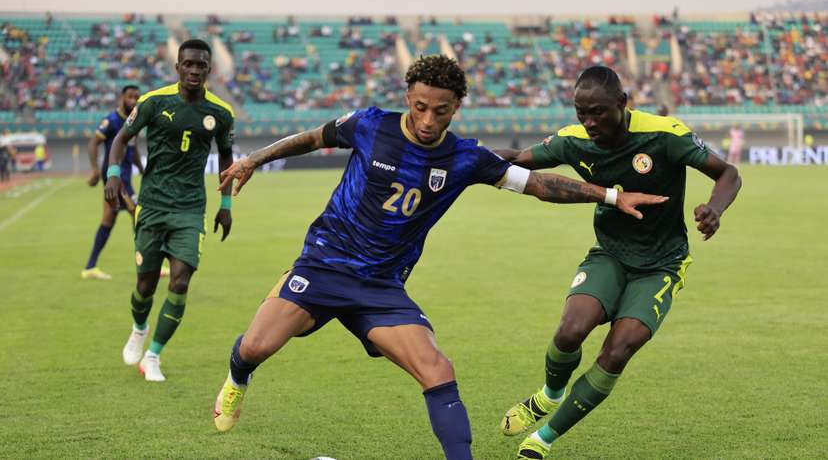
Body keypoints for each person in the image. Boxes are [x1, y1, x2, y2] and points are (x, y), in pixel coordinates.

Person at [210, 55, 666, 460]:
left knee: (438, 370)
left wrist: (610, 195)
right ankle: (237, 378)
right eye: (420, 107)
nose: (428, 119)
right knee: (255, 348)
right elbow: (312, 138)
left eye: (441, 110)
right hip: (324, 265)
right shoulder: (370, 125)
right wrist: (255, 159)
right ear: (408, 97)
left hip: (382, 288)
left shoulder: (466, 157)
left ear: (456, 107)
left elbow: (539, 185)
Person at [494, 66, 742, 460]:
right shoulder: (573, 141)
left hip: (661, 264)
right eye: (581, 113)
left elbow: (727, 172)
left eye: (598, 112)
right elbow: (518, 160)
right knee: (570, 331)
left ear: (622, 104)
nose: (589, 122)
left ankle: (543, 439)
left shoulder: (664, 135)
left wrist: (715, 208)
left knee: (619, 349)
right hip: (610, 253)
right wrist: (463, 159)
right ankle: (549, 394)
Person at [104, 39, 235, 382]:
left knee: (179, 281)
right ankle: (138, 328)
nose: (194, 70)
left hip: (191, 209)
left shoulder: (220, 113)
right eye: (188, 64)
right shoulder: (152, 102)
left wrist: (226, 203)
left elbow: (226, 157)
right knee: (145, 285)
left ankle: (153, 356)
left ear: (209, 69)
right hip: (152, 205)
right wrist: (114, 175)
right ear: (177, 67)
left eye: (201, 65)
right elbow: (120, 140)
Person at [81, 85, 144, 280]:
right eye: (129, 97)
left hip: (126, 179)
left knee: (108, 220)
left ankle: (90, 267)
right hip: (115, 179)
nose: (133, 101)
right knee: (139, 215)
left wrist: (143, 170)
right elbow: (93, 143)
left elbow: (133, 150)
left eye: (136, 97)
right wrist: (93, 169)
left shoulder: (133, 121)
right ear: (121, 98)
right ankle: (149, 266)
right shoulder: (112, 120)